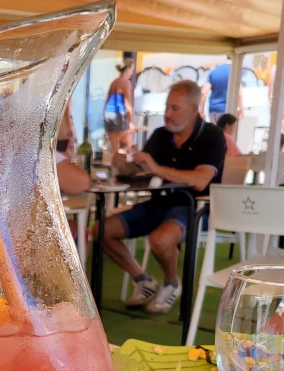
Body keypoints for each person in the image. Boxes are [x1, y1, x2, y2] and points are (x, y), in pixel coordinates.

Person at [92, 80, 225, 315]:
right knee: (100, 230)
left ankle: (172, 283)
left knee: (160, 240)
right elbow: (141, 169)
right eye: (167, 107)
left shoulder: (212, 136)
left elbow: (200, 180)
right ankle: (143, 280)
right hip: (158, 201)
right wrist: (124, 165)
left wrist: (155, 168)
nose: (167, 114)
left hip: (193, 206)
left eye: (175, 108)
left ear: (194, 109)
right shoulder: (161, 135)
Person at [103, 58, 134, 155]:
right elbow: (127, 103)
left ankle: (114, 163)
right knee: (127, 145)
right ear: (128, 69)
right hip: (119, 114)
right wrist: (130, 122)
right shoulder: (125, 82)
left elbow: (107, 101)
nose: (132, 72)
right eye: (132, 70)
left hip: (108, 114)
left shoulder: (114, 82)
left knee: (114, 147)